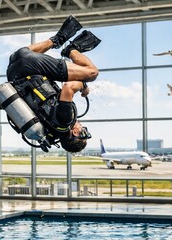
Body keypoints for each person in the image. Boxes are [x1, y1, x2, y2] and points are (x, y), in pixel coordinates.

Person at [6, 15, 101, 152]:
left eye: (83, 132)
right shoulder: (48, 132)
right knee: (23, 55)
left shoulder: (65, 121)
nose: (82, 127)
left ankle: (69, 49)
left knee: (92, 73)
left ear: (74, 133)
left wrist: (83, 86)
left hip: (31, 66)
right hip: (14, 68)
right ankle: (57, 40)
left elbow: (68, 88)